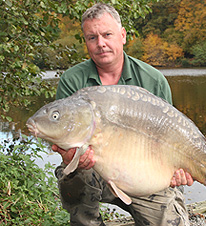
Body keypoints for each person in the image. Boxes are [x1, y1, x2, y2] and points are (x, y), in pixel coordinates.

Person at [52, 3, 193, 226]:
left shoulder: (153, 80)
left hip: (145, 174)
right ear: (86, 42)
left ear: (123, 35)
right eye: (92, 37)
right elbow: (67, 145)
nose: (101, 44)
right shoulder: (73, 81)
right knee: (76, 175)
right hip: (96, 171)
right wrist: (72, 159)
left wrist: (178, 170)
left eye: (107, 34)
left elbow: (170, 140)